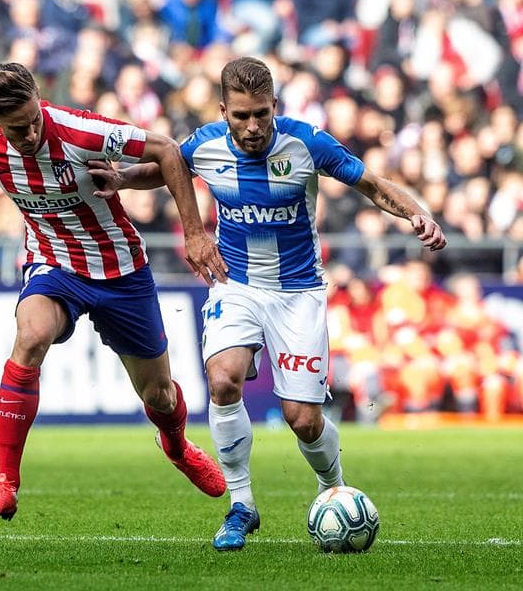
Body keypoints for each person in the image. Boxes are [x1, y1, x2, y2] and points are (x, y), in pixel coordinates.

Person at [88, 57, 446, 550]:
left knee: (303, 418)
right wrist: (125, 179)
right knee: (222, 380)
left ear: (274, 105)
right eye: (241, 116)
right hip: (234, 285)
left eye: (261, 113)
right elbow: (166, 167)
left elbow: (370, 185)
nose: (252, 126)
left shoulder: (307, 143)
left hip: (298, 293)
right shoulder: (206, 143)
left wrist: (416, 214)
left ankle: (331, 487)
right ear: (223, 111)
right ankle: (242, 505)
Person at [0, 62, 229, 521]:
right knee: (30, 337)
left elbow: (168, 150)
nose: (30, 133)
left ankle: (176, 445)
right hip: (53, 264)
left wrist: (193, 233)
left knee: (160, 397)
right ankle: (4, 483)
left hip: (120, 270)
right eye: (17, 128)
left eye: (34, 120)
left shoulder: (80, 131)